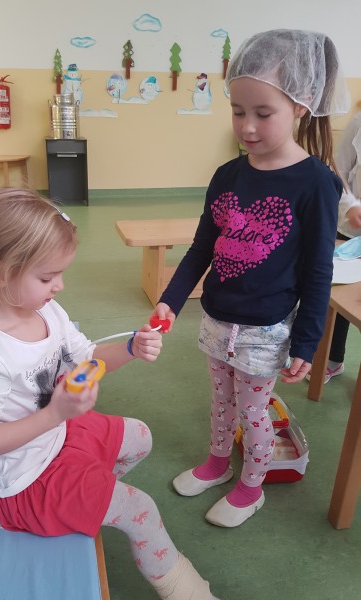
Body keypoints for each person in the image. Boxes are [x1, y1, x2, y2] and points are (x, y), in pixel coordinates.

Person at [0, 188, 220, 600]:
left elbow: (87, 357)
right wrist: (55, 414)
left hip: (56, 438)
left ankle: (87, 495)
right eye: (46, 277)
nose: (59, 286)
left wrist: (131, 348)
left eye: (60, 274)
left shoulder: (45, 310)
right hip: (23, 483)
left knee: (141, 436)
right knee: (140, 508)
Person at [152, 29, 350, 528]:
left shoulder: (317, 184)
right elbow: (202, 248)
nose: (247, 126)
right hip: (217, 319)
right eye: (238, 111)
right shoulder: (227, 175)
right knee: (221, 403)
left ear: (300, 107)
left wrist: (307, 341)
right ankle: (218, 464)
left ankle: (251, 487)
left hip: (265, 331)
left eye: (263, 113)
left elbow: (318, 271)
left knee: (254, 413)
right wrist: (170, 299)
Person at [315, 111, 361, 382]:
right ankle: (332, 358)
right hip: (350, 229)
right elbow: (338, 169)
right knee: (338, 296)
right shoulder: (359, 122)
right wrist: (351, 205)